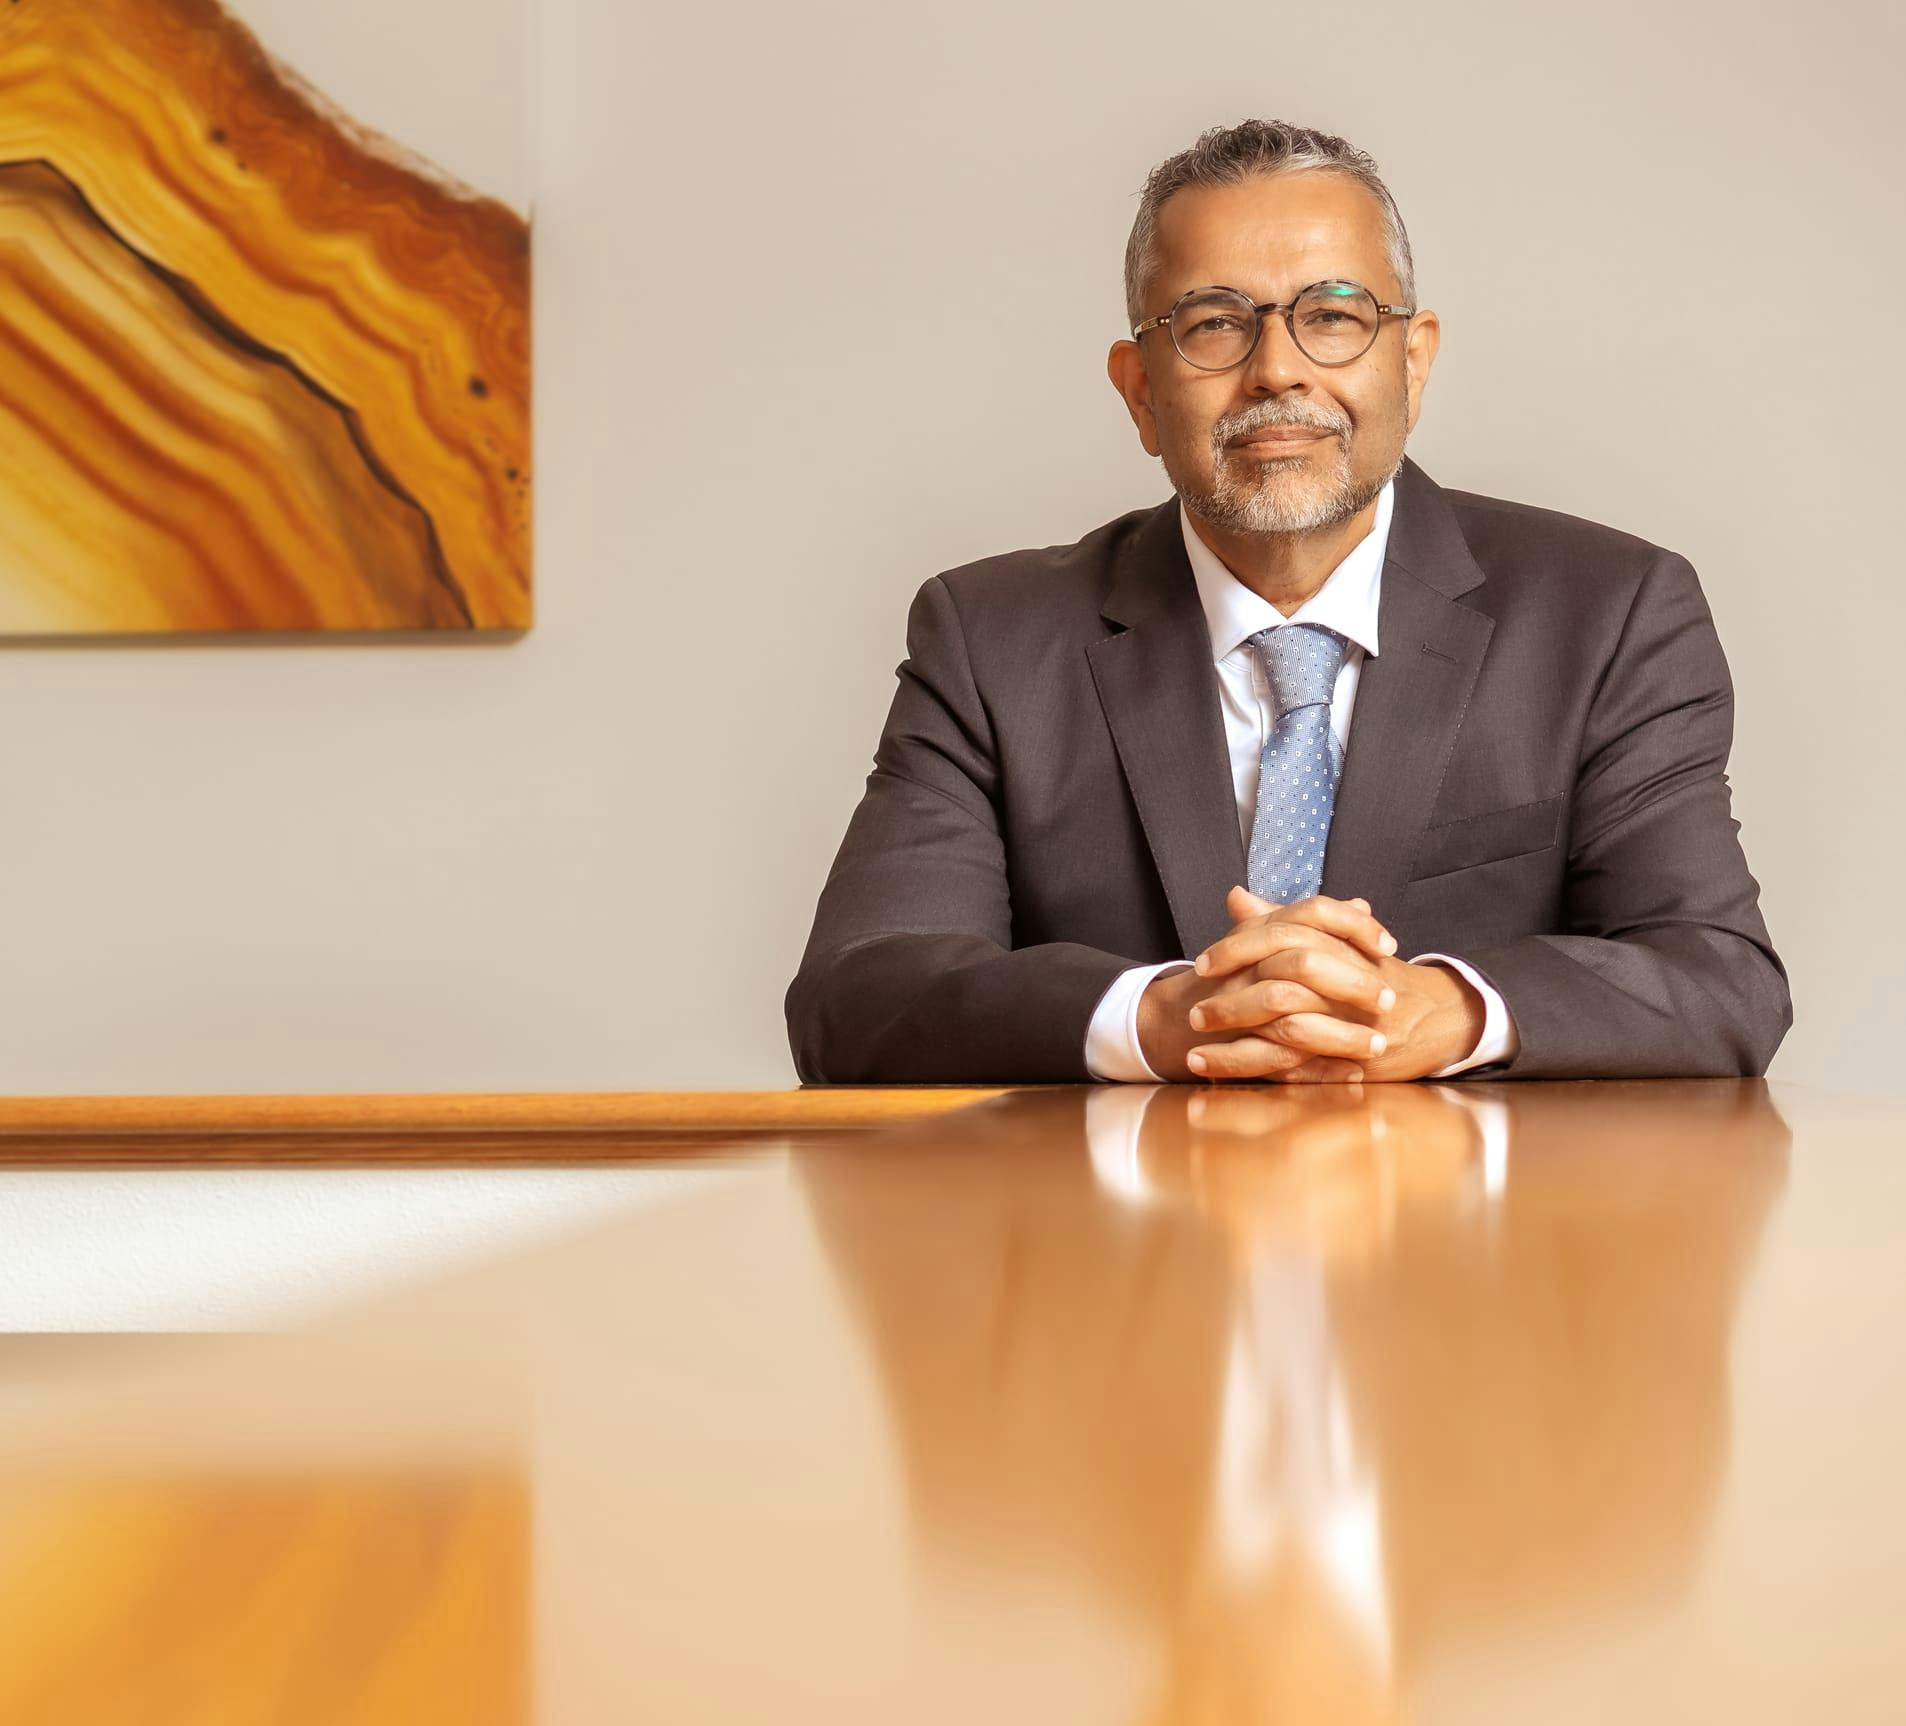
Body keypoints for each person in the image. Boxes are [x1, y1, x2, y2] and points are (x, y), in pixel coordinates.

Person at [784, 119, 1790, 1085]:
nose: (1276, 370)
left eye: (1334, 316)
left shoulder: (1607, 615)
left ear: (1412, 358)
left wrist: (1441, 1008)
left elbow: (1716, 975)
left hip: (1477, 1252)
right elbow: (858, 997)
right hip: (1116, 1252)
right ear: (1138, 389)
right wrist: (1162, 1016)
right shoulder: (992, 641)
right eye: (1214, 323)